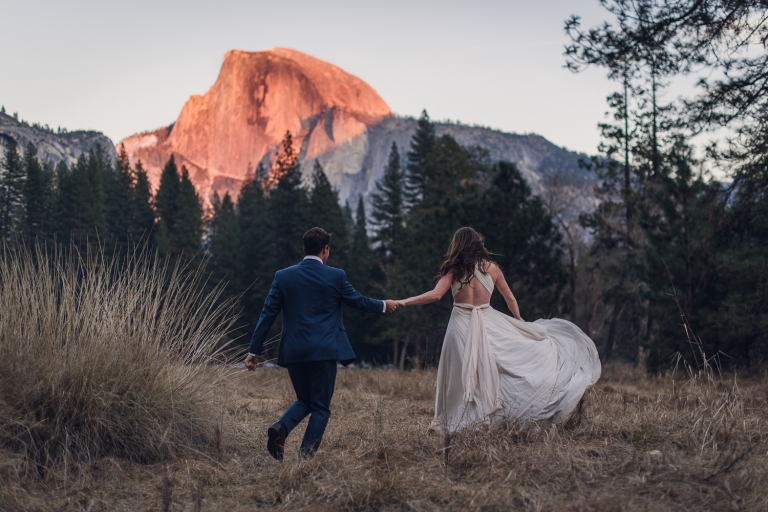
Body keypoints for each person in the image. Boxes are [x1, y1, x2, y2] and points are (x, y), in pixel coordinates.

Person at [395, 227, 600, 431]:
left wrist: (403, 302)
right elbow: (509, 297)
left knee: (459, 371)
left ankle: (458, 418)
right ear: (478, 244)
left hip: (460, 325)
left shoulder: (454, 269)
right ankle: (491, 414)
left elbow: (435, 295)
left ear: (457, 245)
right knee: (494, 367)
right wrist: (518, 319)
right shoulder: (492, 268)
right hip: (487, 322)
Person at [245, 227, 399, 460]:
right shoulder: (335, 276)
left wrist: (254, 351)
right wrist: (384, 305)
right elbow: (358, 301)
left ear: (304, 248)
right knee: (320, 407)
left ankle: (280, 428)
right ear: (325, 249)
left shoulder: (283, 277)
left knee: (305, 400)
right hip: (323, 351)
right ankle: (305, 459)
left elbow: (267, 314)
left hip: (294, 351)